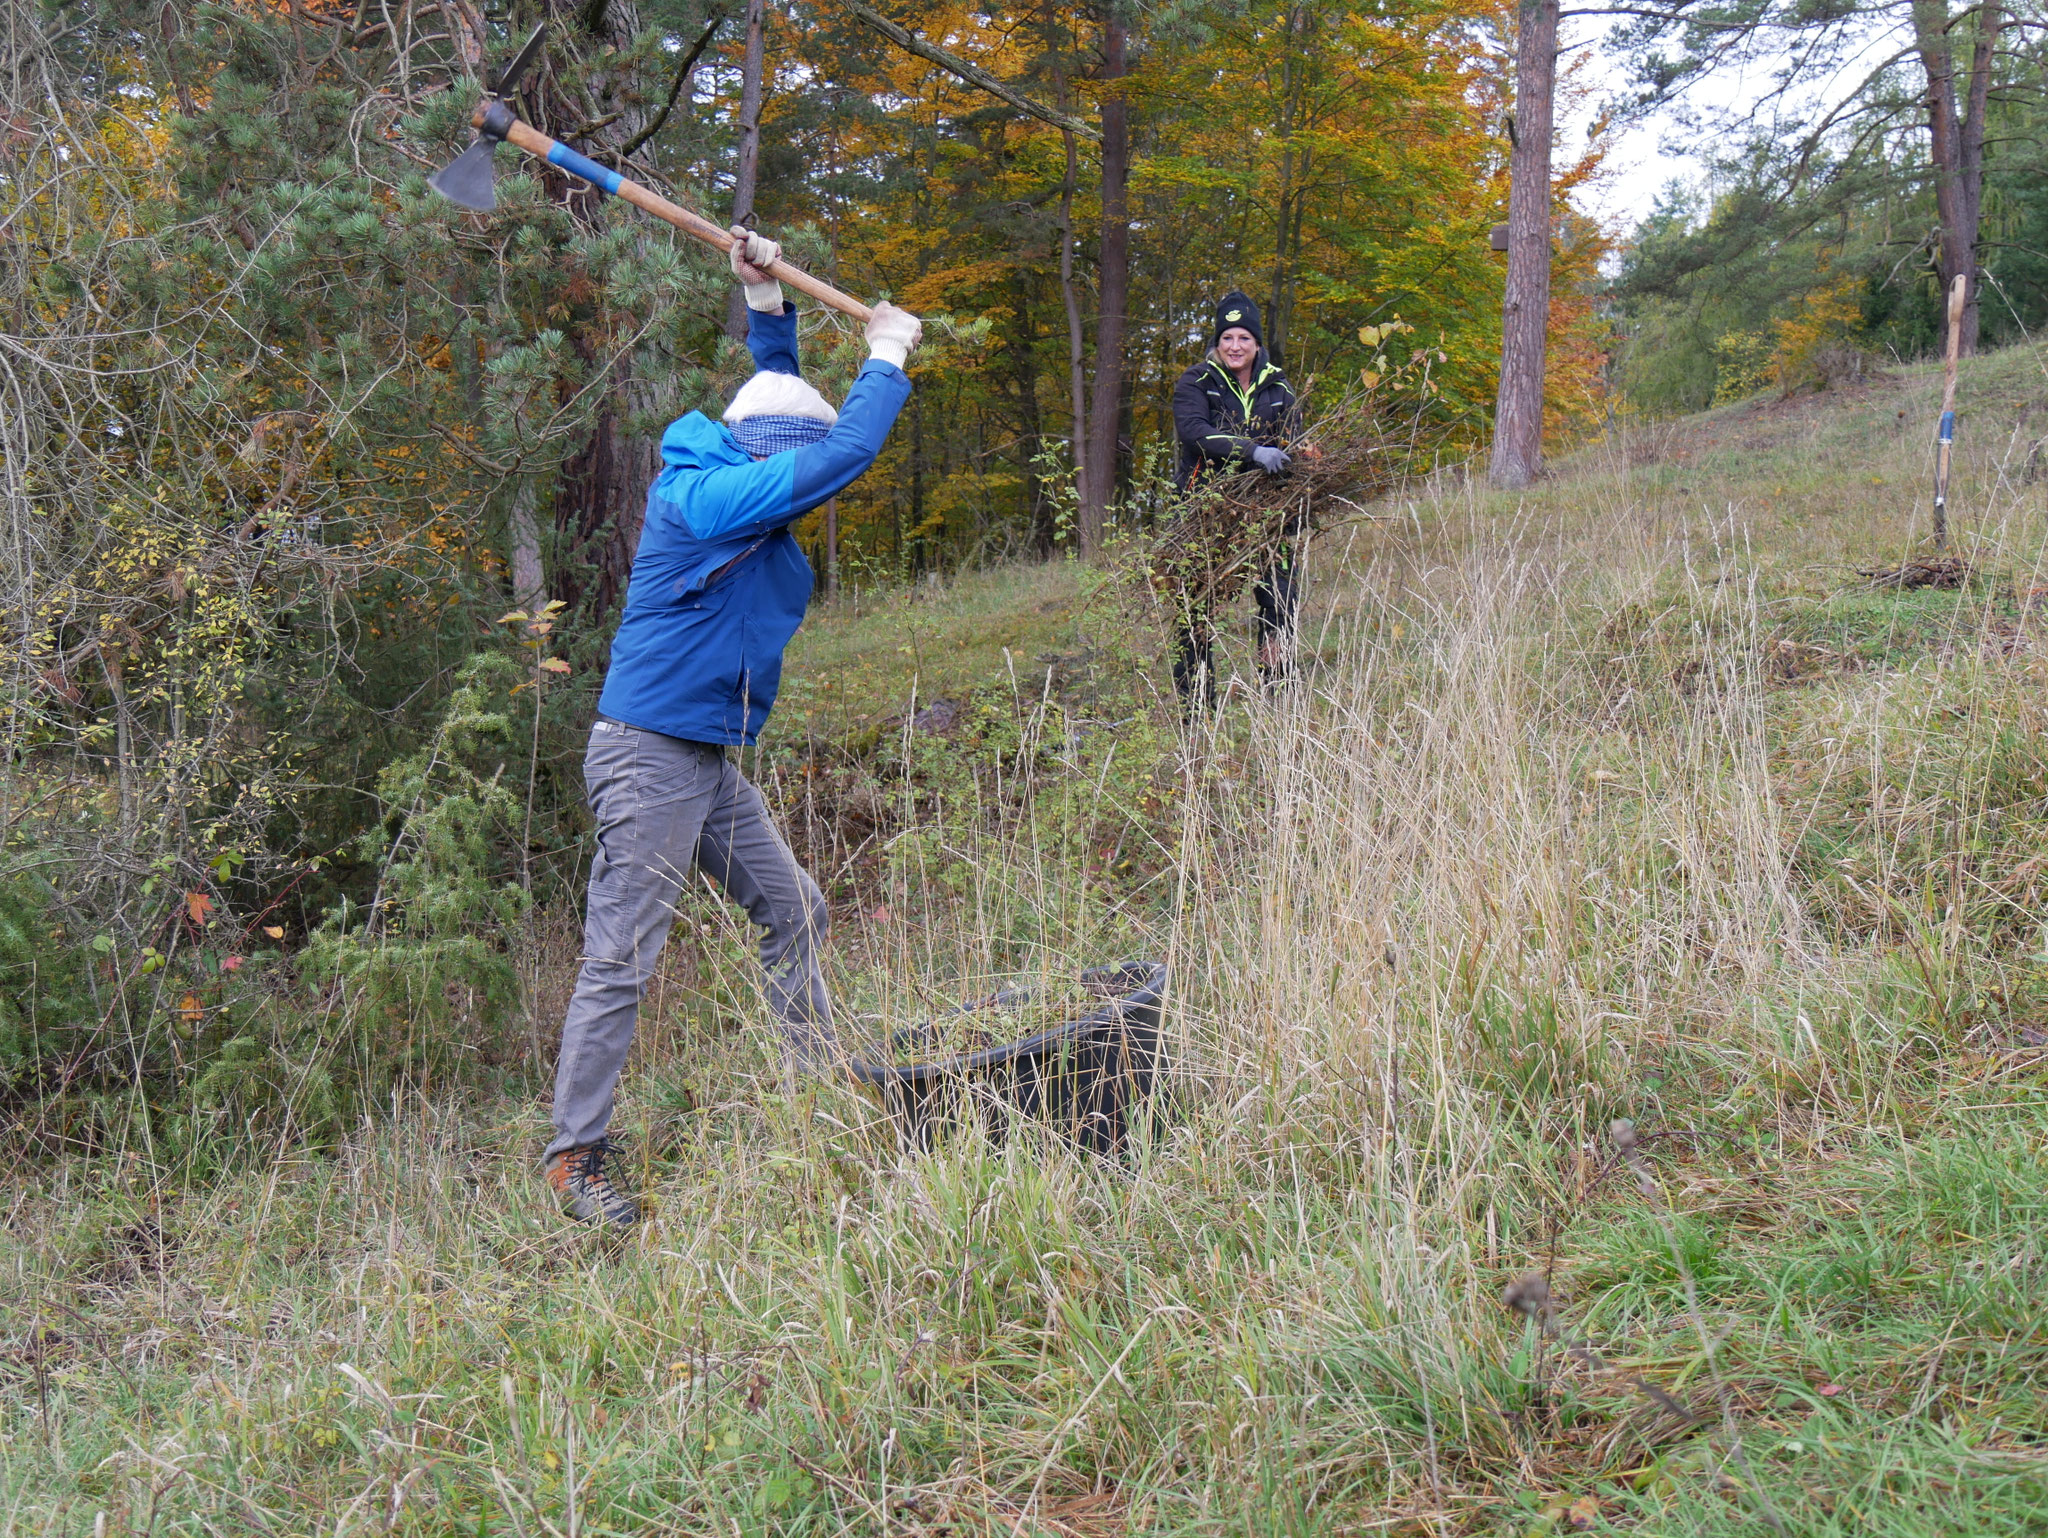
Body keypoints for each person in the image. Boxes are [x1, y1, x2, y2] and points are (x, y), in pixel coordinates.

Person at [543, 228, 923, 1227]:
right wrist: (884, 355)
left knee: (793, 907)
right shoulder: (699, 496)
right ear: (763, 463)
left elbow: (786, 408)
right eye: (785, 477)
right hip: (646, 753)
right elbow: (836, 451)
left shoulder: (742, 466)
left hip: (701, 759)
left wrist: (765, 308)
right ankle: (575, 1157)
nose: (795, 495)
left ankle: (815, 1082)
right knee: (621, 954)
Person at [1169, 289, 1302, 709]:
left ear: (1257, 343)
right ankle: (1197, 706)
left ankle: (1276, 694)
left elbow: (1294, 441)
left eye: (1244, 338)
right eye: (1227, 338)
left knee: (1279, 602)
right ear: (1217, 343)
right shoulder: (1197, 381)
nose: (1235, 346)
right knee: (1196, 609)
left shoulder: (1278, 386)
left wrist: (1299, 457)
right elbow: (1194, 432)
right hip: (1203, 509)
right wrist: (1252, 452)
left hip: (1267, 512)